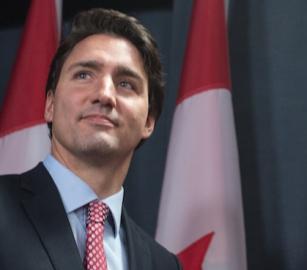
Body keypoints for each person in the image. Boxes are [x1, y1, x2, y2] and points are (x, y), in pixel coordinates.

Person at [0, 8, 181, 270]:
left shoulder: (164, 264)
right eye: (84, 75)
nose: (104, 95)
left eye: (126, 83)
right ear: (49, 104)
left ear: (149, 122)